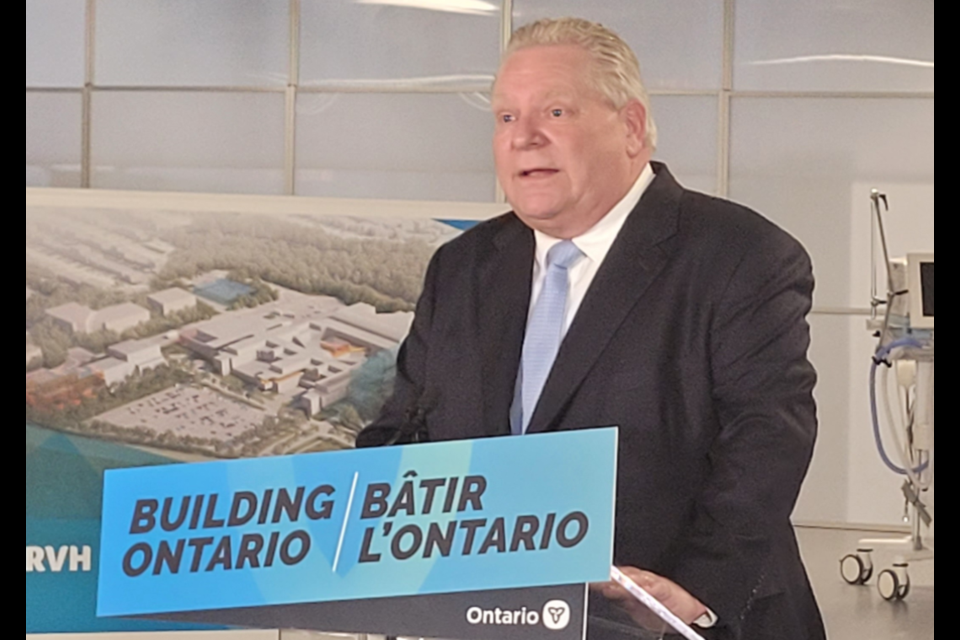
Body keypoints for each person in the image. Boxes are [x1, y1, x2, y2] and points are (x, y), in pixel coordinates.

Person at [358, 17, 826, 640]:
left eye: (554, 112)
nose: (522, 138)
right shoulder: (463, 266)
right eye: (504, 118)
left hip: (676, 623)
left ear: (630, 127)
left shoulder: (741, 255)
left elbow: (767, 440)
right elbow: (403, 434)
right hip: (488, 622)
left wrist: (691, 592)